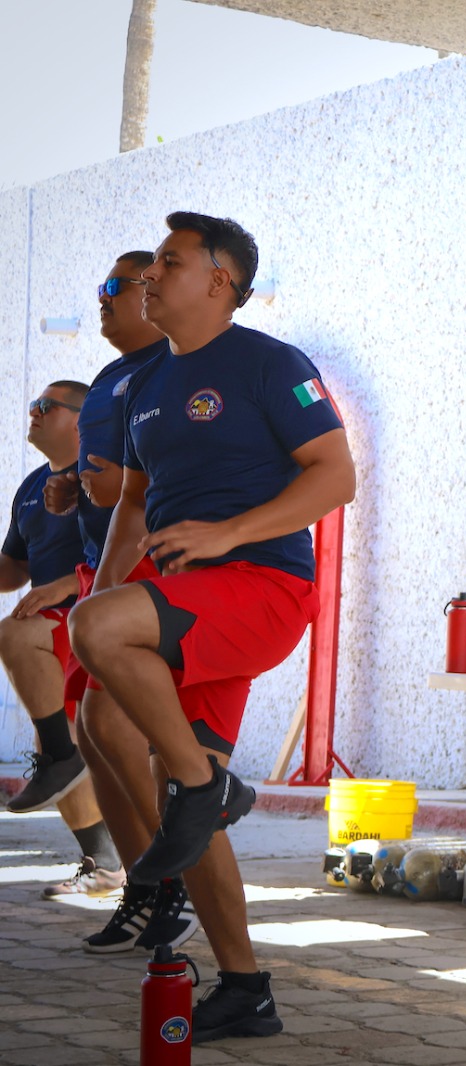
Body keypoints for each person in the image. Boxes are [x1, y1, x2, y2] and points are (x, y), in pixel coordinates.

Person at [70, 211, 355, 1042]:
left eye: (169, 261)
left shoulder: (270, 363)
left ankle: (202, 787)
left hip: (260, 584)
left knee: (166, 758)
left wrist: (228, 535)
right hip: (182, 590)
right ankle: (245, 987)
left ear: (219, 282)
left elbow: (336, 476)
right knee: (109, 721)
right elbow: (129, 500)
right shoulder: (149, 382)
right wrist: (116, 594)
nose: (148, 275)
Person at [42, 251, 204, 953]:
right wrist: (71, 486)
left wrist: (103, 489)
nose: (102, 297)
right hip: (99, 570)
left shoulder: (178, 370)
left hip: (156, 575)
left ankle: (172, 883)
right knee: (93, 733)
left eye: (116, 286)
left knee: (114, 723)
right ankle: (143, 884)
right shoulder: (112, 378)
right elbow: (105, 484)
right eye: (100, 285)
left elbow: (138, 490)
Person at [0, 381, 122, 897]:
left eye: (46, 406)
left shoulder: (106, 477)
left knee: (12, 633)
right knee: (61, 748)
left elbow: (129, 545)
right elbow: (13, 570)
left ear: (79, 419)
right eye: (32, 405)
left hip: (94, 618)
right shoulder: (31, 486)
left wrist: (68, 583)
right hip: (55, 623)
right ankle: (107, 867)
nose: (33, 412)